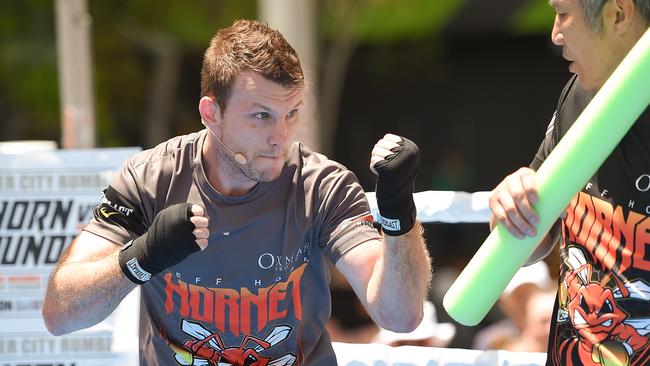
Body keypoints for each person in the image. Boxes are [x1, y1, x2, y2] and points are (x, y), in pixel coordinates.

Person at [41, 19, 432, 365]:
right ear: (211, 113)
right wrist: (141, 257)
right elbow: (60, 314)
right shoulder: (151, 178)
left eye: (291, 113)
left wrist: (398, 215)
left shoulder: (322, 186)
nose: (280, 137)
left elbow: (400, 317)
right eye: (261, 116)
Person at [488, 0, 649, 364]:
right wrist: (512, 206)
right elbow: (535, 243)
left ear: (618, 15)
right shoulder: (578, 94)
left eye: (562, 13)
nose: (555, 33)